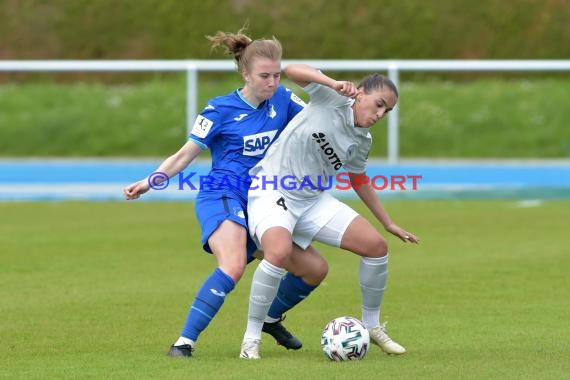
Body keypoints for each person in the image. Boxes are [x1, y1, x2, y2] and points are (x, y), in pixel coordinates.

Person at [123, 31, 328, 358]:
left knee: (314, 269)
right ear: (245, 74)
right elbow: (185, 154)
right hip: (222, 194)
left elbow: (317, 123)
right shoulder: (219, 109)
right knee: (233, 265)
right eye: (264, 76)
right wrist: (152, 180)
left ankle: (269, 319)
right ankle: (184, 343)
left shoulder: (284, 99)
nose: (272, 82)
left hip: (264, 201)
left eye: (276, 75)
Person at [239, 63, 420, 360]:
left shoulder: (362, 139)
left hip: (312, 199)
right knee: (279, 252)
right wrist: (332, 82)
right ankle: (251, 340)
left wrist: (388, 222)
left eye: (387, 111)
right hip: (273, 189)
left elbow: (358, 178)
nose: (379, 114)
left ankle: (372, 327)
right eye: (378, 104)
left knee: (376, 247)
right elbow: (292, 70)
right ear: (359, 94)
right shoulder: (331, 97)